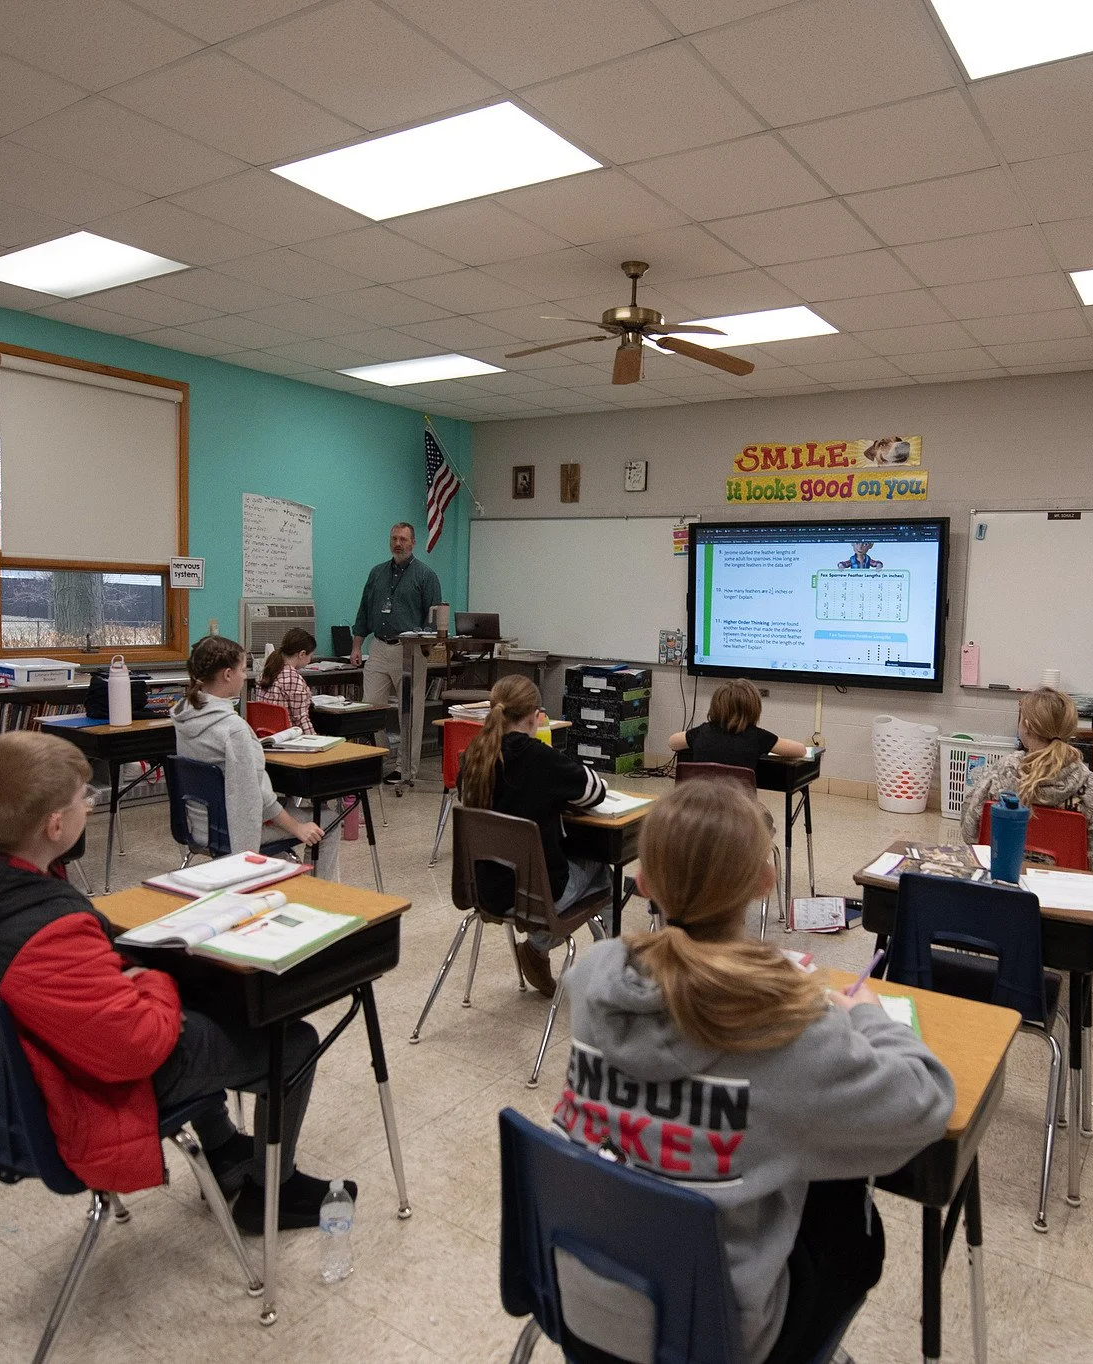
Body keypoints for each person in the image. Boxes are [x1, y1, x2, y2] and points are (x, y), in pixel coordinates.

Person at [553, 780, 953, 1364]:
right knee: (850, 1212)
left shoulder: (593, 976)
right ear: (765, 883)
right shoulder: (788, 1022)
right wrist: (870, 1021)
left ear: (643, 881)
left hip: (582, 1303)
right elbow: (926, 1101)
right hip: (713, 1339)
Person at [0, 731, 351, 1232]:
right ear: (54, 826)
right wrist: (153, 980)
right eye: (81, 799)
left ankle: (222, 1147)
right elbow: (138, 1046)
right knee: (293, 1042)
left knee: (206, 1016)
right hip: (70, 1096)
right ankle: (273, 1193)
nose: (88, 808)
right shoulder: (46, 930)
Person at [458, 675, 605, 996]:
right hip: (538, 897)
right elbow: (596, 791)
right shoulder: (541, 758)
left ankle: (541, 951)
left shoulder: (473, 756)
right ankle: (557, 953)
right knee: (604, 870)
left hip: (487, 890)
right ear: (536, 716)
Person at [170, 635, 325, 858]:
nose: (245, 677)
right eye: (243, 670)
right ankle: (323, 892)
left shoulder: (185, 714)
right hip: (232, 832)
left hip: (199, 826)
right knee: (327, 820)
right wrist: (298, 828)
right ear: (227, 674)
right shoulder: (233, 729)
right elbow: (261, 799)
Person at [956, 687, 1093, 875]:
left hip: (1005, 881)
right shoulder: (1086, 782)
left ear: (1027, 724)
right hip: (1065, 890)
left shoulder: (1002, 771)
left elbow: (970, 830)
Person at [349, 521, 443, 779]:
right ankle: (378, 760)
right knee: (370, 709)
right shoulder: (376, 573)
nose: (398, 544)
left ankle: (405, 770)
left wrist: (425, 648)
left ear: (413, 542)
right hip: (378, 647)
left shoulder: (425, 575)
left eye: (403, 539)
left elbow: (434, 619)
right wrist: (357, 646)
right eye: (394, 539)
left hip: (409, 649)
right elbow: (363, 612)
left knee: (410, 713)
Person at [668, 679, 807, 777]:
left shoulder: (701, 732)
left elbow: (673, 742)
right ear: (754, 709)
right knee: (765, 815)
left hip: (701, 810)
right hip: (739, 813)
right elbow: (800, 750)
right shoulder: (759, 737)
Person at [254, 627, 320, 736]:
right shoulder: (293, 678)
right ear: (302, 654)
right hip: (288, 738)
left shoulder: (266, 672)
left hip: (266, 737)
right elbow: (301, 719)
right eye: (310, 656)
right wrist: (316, 740)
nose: (310, 660)